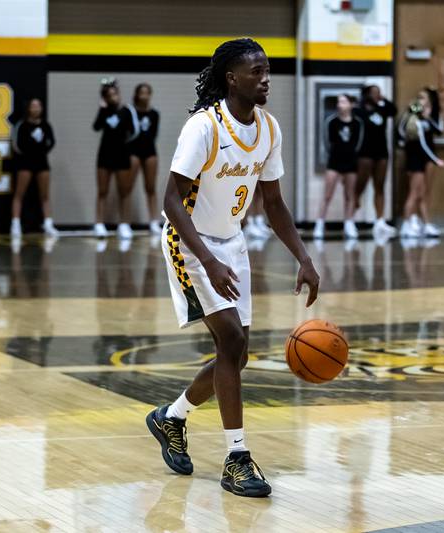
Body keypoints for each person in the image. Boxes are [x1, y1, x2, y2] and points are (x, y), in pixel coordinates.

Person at [145, 38, 320, 498]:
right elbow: (171, 201)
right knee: (233, 342)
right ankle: (236, 459)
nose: (265, 79)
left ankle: (171, 418)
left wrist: (304, 258)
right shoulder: (204, 127)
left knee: (236, 356)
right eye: (256, 72)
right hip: (189, 243)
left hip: (231, 242)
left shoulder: (268, 129)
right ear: (231, 78)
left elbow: (274, 203)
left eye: (268, 71)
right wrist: (207, 259)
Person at [313, 94, 364, 239]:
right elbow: (326, 142)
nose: (339, 104)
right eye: (338, 102)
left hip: (351, 162)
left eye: (343, 101)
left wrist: (351, 155)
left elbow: (358, 143)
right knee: (327, 195)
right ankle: (319, 224)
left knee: (349, 195)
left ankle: (349, 223)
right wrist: (335, 155)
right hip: (334, 162)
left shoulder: (357, 123)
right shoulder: (332, 122)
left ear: (351, 105)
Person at [93, 79, 139, 239]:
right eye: (109, 95)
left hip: (122, 154)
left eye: (115, 94)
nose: (113, 97)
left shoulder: (127, 110)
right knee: (102, 191)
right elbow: (96, 127)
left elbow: (135, 132)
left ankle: (124, 224)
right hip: (105, 155)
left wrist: (125, 144)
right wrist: (101, 108)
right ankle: (99, 224)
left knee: (124, 191)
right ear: (105, 97)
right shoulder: (104, 111)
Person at [398, 88, 444, 238]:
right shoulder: (413, 113)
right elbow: (403, 131)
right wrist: (435, 159)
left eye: (423, 98)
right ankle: (407, 223)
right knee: (414, 192)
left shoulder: (432, 114)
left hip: (426, 156)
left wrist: (428, 117)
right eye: (419, 97)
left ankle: (423, 222)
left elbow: (439, 130)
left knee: (423, 192)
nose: (420, 100)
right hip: (415, 156)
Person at [10, 98, 58, 238]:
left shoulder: (45, 125)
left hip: (42, 163)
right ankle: (15, 224)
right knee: (19, 194)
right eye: (33, 106)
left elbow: (51, 142)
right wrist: (28, 151)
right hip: (25, 163)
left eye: (38, 106)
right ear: (28, 108)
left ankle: (48, 224)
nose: (36, 109)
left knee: (45, 195)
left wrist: (42, 150)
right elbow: (16, 145)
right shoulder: (22, 125)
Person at [355, 81, 397, 237]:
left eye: (378, 92)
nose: (377, 94)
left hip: (381, 152)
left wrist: (383, 99)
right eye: (374, 92)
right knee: (360, 185)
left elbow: (394, 110)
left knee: (380, 186)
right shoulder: (359, 110)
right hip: (365, 152)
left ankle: (380, 221)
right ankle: (351, 217)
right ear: (367, 94)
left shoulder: (383, 109)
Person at [128, 83, 163, 234]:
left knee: (151, 188)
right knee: (128, 187)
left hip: (149, 152)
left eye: (147, 93)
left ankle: (154, 221)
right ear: (137, 94)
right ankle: (125, 222)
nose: (145, 96)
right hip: (134, 152)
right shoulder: (131, 113)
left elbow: (153, 135)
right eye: (142, 92)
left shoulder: (154, 114)